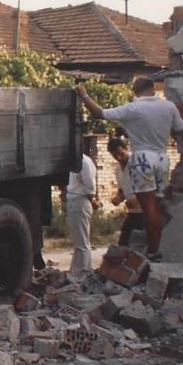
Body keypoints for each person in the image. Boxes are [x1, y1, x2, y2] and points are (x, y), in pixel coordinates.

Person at [77, 77, 183, 262]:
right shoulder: (168, 107)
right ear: (152, 88)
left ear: (135, 91)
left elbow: (100, 113)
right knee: (157, 206)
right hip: (162, 157)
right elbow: (179, 127)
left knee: (147, 207)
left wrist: (84, 95)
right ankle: (155, 248)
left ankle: (152, 251)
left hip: (142, 158)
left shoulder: (133, 109)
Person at [106, 136, 144, 246]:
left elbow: (148, 188)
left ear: (125, 148)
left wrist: (137, 200)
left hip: (145, 211)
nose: (118, 157)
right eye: (114, 155)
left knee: (141, 244)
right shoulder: (117, 169)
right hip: (132, 212)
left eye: (120, 153)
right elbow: (122, 190)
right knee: (123, 243)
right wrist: (118, 198)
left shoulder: (137, 164)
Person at [63, 153, 98, 273]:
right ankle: (84, 271)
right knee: (81, 241)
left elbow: (90, 184)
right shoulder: (75, 162)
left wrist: (92, 198)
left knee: (81, 242)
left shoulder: (84, 162)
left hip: (80, 200)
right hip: (76, 200)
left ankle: (80, 273)